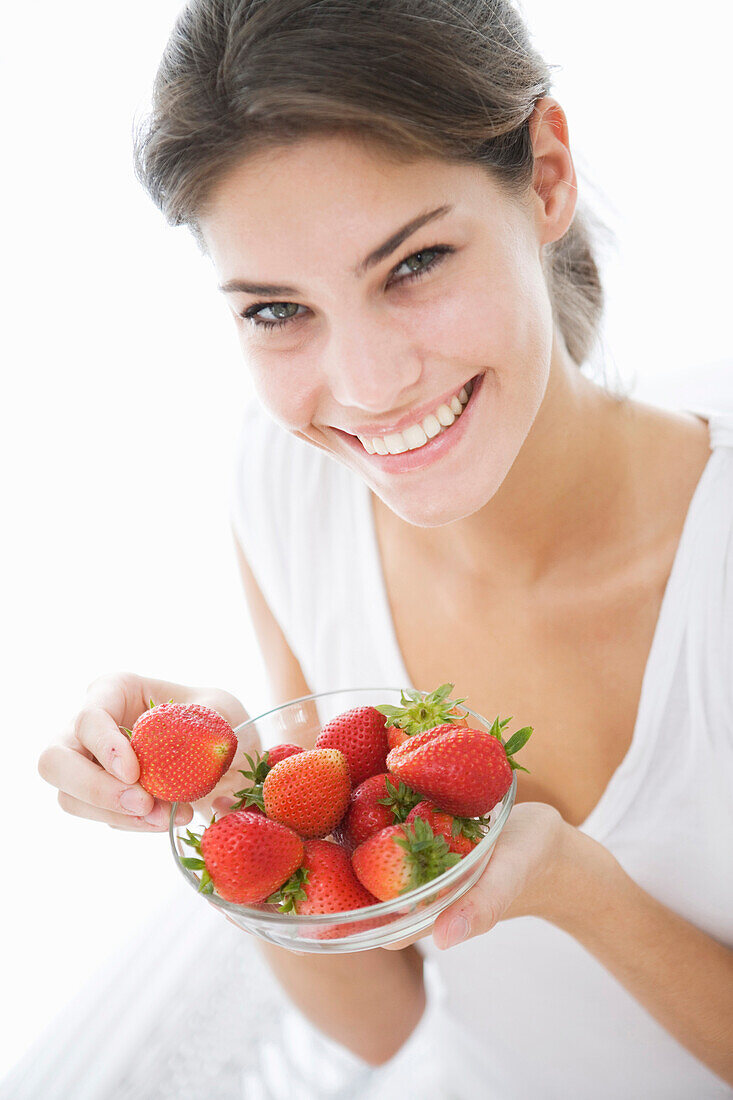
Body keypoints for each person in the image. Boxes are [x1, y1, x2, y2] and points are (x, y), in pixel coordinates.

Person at [37, 1, 733, 1096]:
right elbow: (381, 1020)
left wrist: (578, 886)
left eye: (412, 264)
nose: (364, 387)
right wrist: (234, 802)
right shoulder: (286, 489)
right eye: (276, 311)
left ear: (545, 177)